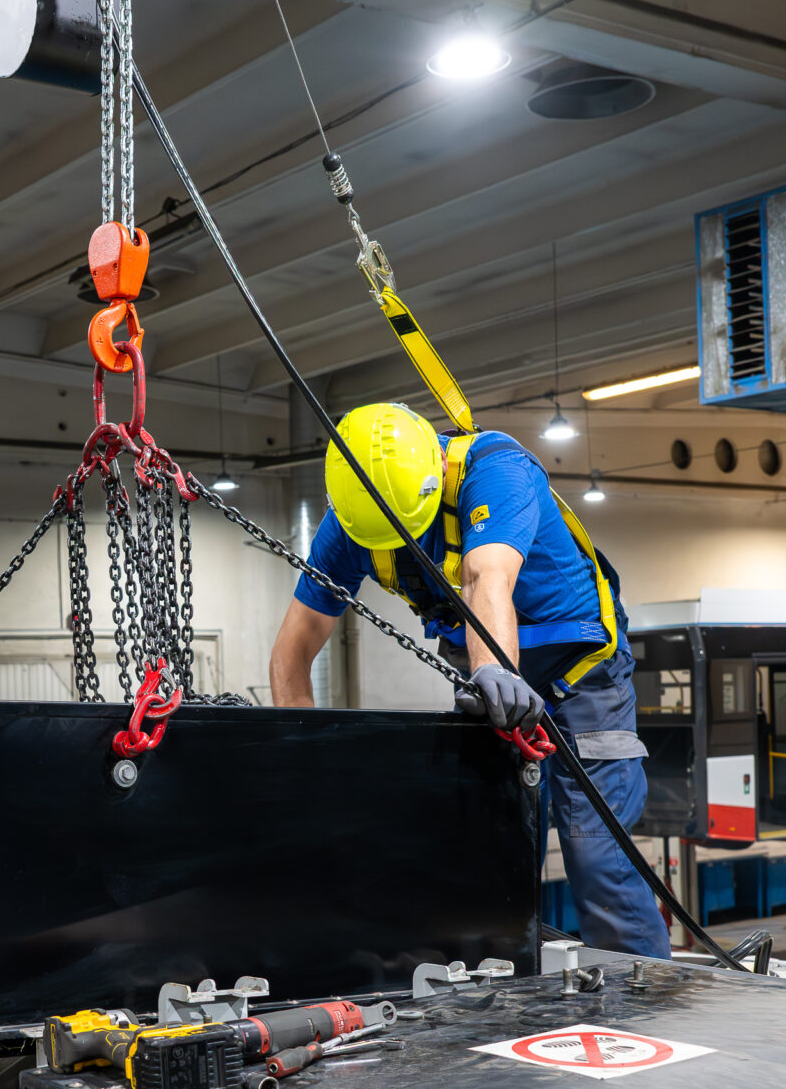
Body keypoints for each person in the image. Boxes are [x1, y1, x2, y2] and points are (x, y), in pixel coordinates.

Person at [266, 403, 668, 957]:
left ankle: (639, 1009)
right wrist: (298, 750)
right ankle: (508, 1006)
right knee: (490, 855)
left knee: (598, 856)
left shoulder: (497, 471)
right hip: (495, 690)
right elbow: (295, 646)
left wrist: (490, 673)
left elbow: (488, 580)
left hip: (583, 683)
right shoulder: (355, 519)